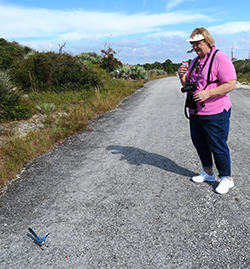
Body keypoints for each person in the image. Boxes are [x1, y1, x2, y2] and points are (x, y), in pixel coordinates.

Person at [178, 27, 237, 194]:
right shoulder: (196, 61)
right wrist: (182, 77)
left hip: (215, 112)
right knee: (199, 143)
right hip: (196, 112)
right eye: (193, 44)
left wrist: (207, 93)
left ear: (207, 41)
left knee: (217, 144)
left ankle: (226, 178)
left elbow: (230, 83)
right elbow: (188, 85)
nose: (196, 47)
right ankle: (209, 173)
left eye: (198, 43)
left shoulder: (220, 58)